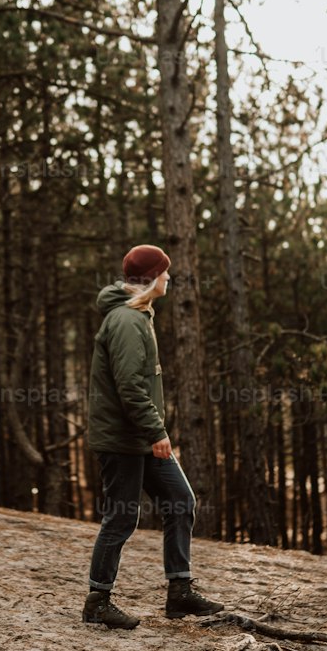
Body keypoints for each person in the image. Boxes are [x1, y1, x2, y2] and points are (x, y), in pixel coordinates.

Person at [83, 243, 225, 630]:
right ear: (150, 278)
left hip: (140, 437)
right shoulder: (127, 321)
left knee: (180, 500)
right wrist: (156, 431)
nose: (169, 277)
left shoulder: (139, 314)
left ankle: (179, 593)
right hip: (123, 439)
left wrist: (152, 433)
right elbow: (129, 386)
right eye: (165, 271)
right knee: (121, 518)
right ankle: (98, 599)